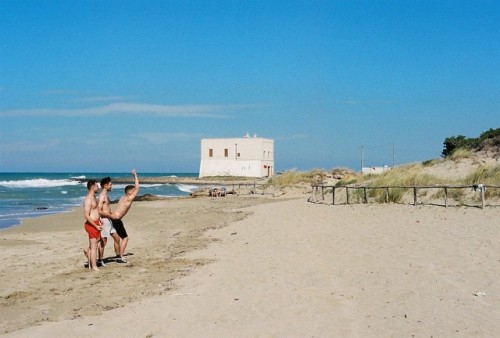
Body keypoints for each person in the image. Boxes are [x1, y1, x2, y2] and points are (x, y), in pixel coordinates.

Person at [111, 169, 140, 263]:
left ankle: (117, 255)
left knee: (116, 238)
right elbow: (137, 187)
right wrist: (135, 175)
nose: (134, 191)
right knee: (125, 238)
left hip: (113, 218)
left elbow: (135, 188)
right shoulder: (128, 198)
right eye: (133, 190)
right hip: (116, 220)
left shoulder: (122, 198)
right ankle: (120, 257)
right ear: (129, 192)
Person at [97, 176, 121, 266]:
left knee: (117, 238)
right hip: (104, 220)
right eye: (110, 184)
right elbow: (99, 210)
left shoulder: (106, 195)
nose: (111, 186)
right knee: (103, 241)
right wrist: (110, 215)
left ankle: (118, 257)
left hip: (109, 220)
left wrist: (112, 215)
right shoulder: (102, 196)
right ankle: (100, 260)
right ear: (105, 185)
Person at [83, 179, 102, 271]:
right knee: (94, 246)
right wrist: (95, 226)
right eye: (97, 186)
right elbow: (86, 215)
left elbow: (97, 210)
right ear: (92, 187)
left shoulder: (95, 197)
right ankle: (94, 266)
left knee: (96, 242)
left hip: (97, 222)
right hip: (91, 224)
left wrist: (100, 220)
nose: (98, 187)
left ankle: (88, 250)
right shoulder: (88, 199)